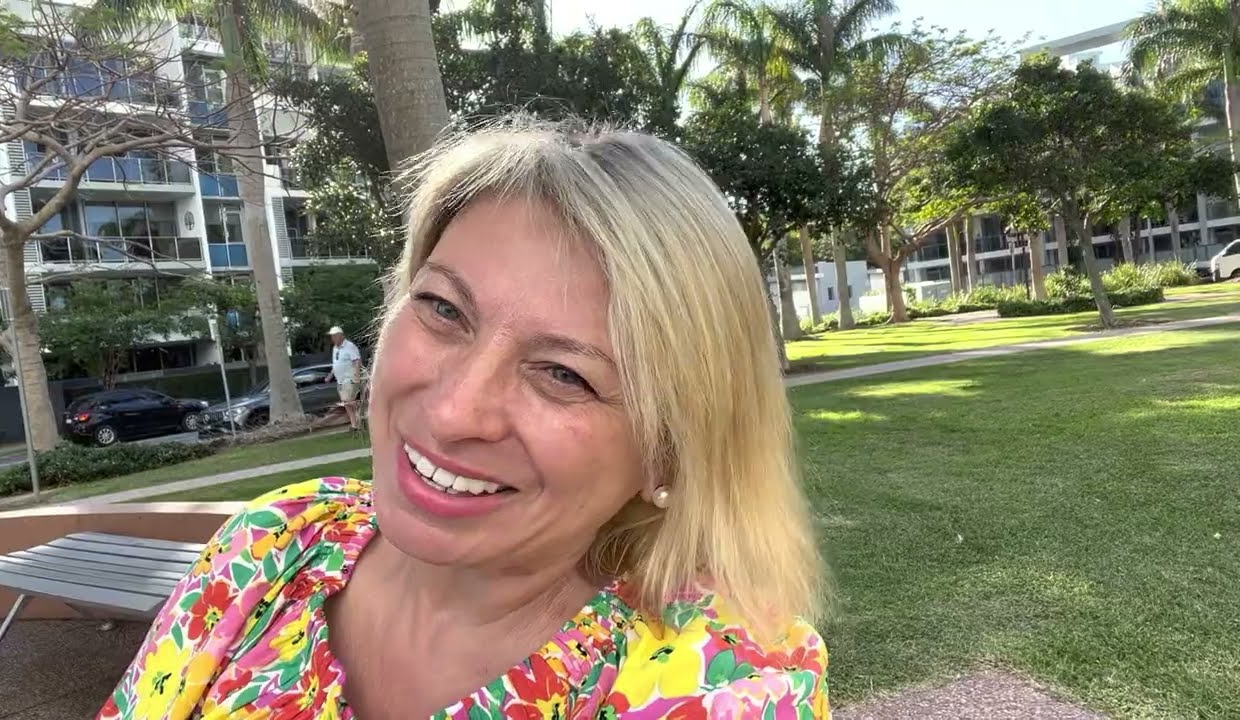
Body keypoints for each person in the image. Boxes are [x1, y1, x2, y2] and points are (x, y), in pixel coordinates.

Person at [99, 119, 828, 719]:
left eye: (564, 374)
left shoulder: (725, 686)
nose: (454, 414)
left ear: (668, 453)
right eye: (444, 310)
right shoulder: (271, 544)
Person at [325, 326, 363, 431]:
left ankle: (359, 419)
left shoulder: (349, 346)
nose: (333, 338)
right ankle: (354, 425)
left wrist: (356, 377)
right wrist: (330, 376)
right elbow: (336, 364)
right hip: (340, 380)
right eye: (331, 336)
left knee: (349, 401)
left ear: (340, 336)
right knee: (346, 404)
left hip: (349, 379)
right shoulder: (335, 349)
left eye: (334, 336)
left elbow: (357, 361)